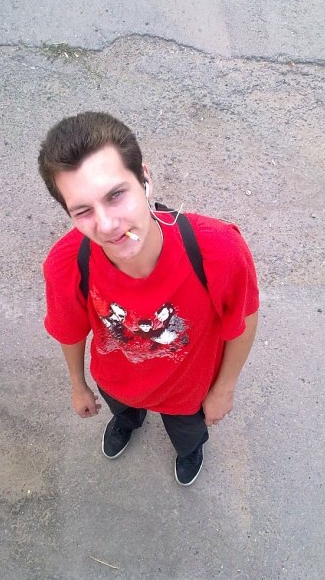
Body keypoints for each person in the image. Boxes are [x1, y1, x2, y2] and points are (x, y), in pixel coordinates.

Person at [38, 112, 259, 486]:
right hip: (116, 382)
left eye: (115, 195)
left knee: (188, 436)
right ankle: (127, 421)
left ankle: (189, 450)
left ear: (144, 178)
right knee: (124, 412)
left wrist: (224, 389)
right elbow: (70, 331)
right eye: (83, 210)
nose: (107, 225)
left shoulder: (218, 249)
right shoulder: (66, 264)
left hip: (188, 394)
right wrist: (78, 385)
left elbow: (244, 319)